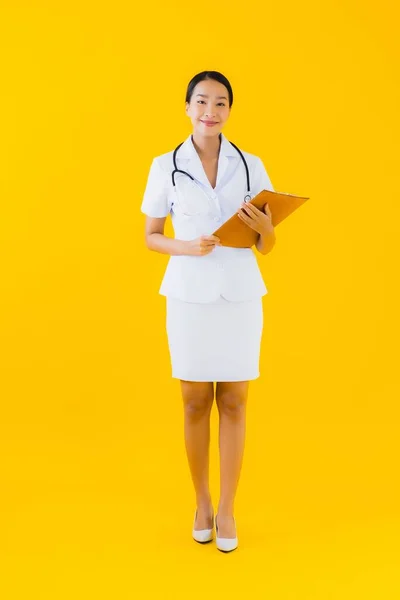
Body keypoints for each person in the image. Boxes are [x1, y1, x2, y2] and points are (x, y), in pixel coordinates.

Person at [141, 70, 276, 552]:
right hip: (189, 294)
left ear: (228, 111)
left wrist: (267, 227)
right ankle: (201, 501)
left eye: (220, 103)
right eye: (201, 101)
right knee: (195, 400)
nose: (210, 111)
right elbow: (151, 235)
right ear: (187, 107)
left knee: (235, 401)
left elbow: (268, 244)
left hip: (240, 295)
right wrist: (187, 246)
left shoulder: (251, 164)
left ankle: (227, 509)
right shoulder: (165, 165)